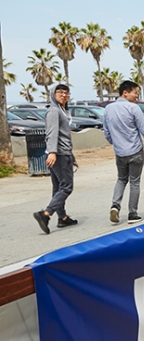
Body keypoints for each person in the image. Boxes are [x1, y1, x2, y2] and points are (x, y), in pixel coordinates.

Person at [103, 80, 144, 225]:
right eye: (135, 93)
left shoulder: (108, 109)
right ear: (125, 93)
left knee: (121, 179)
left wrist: (115, 143)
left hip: (120, 152)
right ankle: (132, 214)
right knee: (135, 182)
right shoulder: (134, 109)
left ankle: (115, 205)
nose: (137, 96)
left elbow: (107, 132)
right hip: (135, 151)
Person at [33, 84, 76, 234]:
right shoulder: (53, 110)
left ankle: (62, 217)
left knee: (58, 187)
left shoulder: (62, 110)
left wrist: (72, 155)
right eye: (60, 92)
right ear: (53, 94)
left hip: (63, 153)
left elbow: (64, 135)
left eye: (66, 93)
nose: (64, 95)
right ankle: (46, 214)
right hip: (58, 154)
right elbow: (52, 133)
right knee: (67, 187)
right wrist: (52, 152)